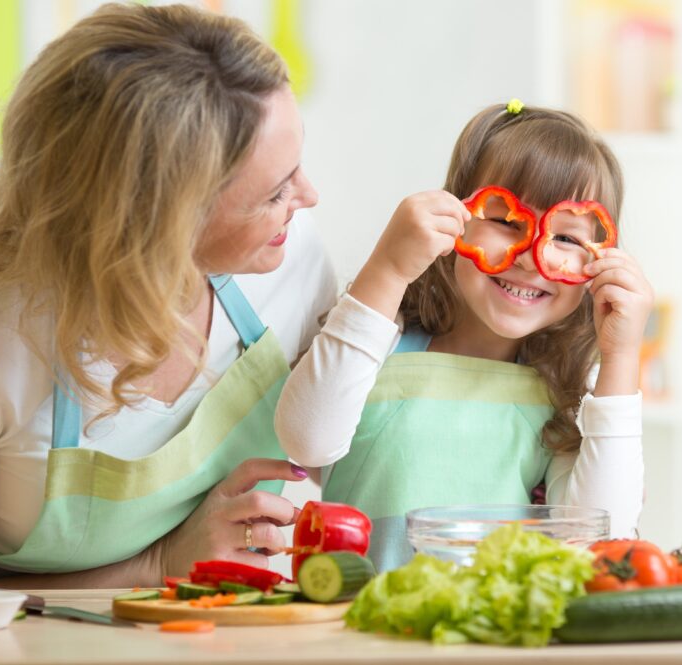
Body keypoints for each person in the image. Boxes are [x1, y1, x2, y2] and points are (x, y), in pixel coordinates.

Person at [0, 3, 336, 592]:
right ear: (159, 224)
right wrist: (154, 567)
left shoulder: (289, 255)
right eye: (274, 193)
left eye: (296, 168)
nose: (308, 197)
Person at [275, 102, 652, 570]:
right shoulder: (381, 341)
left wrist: (620, 358)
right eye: (507, 222)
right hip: (354, 631)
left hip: (491, 639)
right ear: (456, 218)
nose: (532, 257)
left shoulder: (564, 392)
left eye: (568, 239)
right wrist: (388, 269)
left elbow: (605, 538)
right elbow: (306, 442)